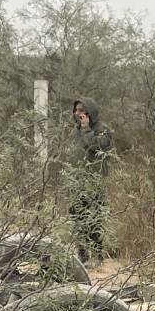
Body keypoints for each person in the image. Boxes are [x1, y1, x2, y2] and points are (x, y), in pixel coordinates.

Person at [68, 97, 113, 262]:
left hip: (95, 182)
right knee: (77, 216)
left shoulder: (103, 129)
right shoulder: (75, 130)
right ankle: (83, 255)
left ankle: (98, 255)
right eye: (76, 110)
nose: (77, 113)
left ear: (89, 112)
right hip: (77, 181)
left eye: (81, 110)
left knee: (95, 218)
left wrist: (87, 130)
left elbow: (99, 146)